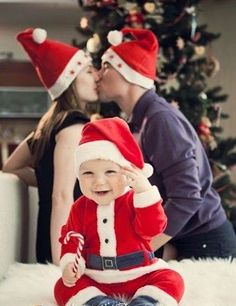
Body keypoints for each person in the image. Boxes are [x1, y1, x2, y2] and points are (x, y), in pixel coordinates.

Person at [97, 27, 236, 260]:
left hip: (206, 246)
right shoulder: (141, 120)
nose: (99, 75)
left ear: (129, 73)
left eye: (106, 66)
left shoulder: (159, 119)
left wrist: (140, 249)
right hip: (184, 241)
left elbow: (187, 197)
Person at [54, 117, 184, 306]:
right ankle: (99, 302)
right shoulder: (80, 207)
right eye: (88, 173)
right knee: (62, 287)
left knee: (173, 280)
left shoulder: (135, 200)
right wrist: (70, 263)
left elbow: (152, 229)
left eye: (110, 172)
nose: (99, 182)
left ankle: (145, 301)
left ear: (128, 173)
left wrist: (145, 193)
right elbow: (72, 238)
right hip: (96, 278)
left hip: (140, 273)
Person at [2, 28, 99, 265]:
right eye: (88, 71)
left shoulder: (50, 123)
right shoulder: (73, 125)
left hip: (56, 238)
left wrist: (48, 179)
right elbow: (62, 196)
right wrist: (61, 262)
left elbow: (12, 166)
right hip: (68, 245)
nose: (96, 76)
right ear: (70, 81)